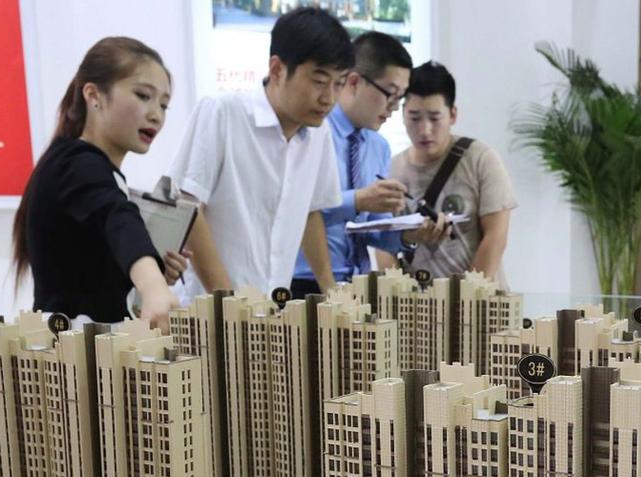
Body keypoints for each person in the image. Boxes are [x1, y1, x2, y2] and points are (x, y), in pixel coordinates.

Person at [167, 7, 353, 298]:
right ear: (277, 69)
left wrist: (329, 288)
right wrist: (228, 301)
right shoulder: (223, 112)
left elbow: (310, 212)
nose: (329, 98)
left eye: (338, 84)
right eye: (319, 81)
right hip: (208, 308)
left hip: (271, 309)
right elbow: (188, 206)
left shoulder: (319, 133)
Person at [11, 37, 186, 329]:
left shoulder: (84, 165)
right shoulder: (77, 163)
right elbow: (117, 216)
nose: (156, 115)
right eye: (143, 95)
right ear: (94, 95)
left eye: (164, 105)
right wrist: (153, 285)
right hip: (74, 346)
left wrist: (154, 271)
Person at [290, 32, 446, 298]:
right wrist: (358, 200)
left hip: (358, 284)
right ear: (354, 82)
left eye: (400, 98)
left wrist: (409, 235)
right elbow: (296, 206)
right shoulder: (312, 131)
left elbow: (376, 230)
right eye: (390, 94)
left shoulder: (378, 146)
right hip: (302, 283)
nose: (393, 108)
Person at [388, 61, 517, 284]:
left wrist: (467, 295)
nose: (424, 130)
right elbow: (384, 244)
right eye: (414, 118)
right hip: (416, 301)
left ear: (453, 115)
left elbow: (495, 238)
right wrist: (393, 293)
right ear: (403, 115)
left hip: (477, 298)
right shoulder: (392, 169)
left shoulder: (480, 159)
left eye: (435, 118)